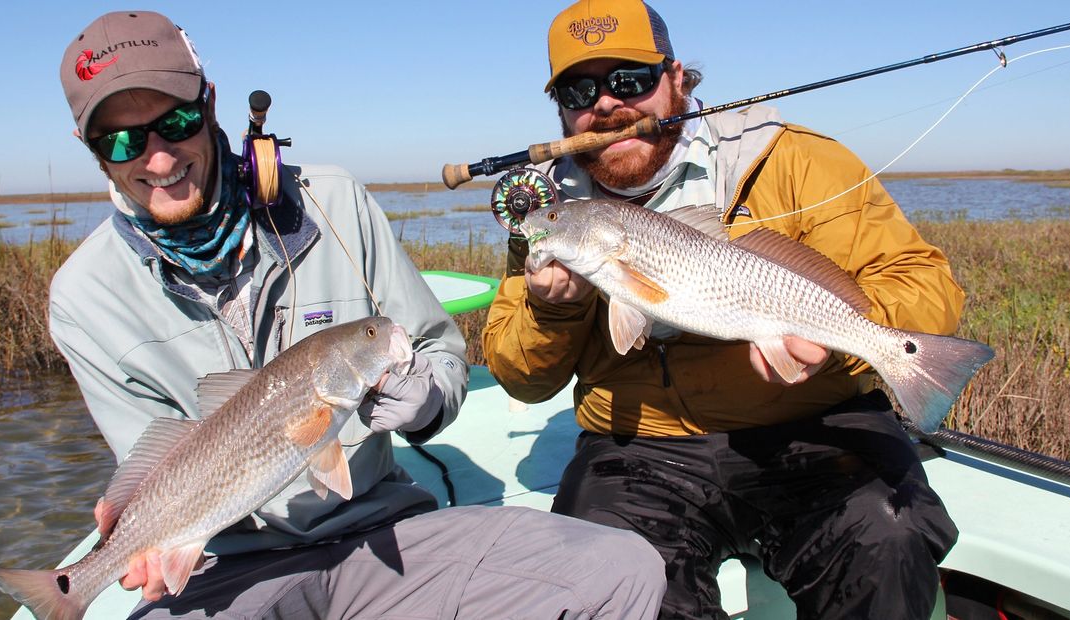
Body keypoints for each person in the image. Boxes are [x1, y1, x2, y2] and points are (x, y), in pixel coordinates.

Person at [49, 10, 665, 619]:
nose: (157, 159)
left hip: (382, 533)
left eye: (176, 121)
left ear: (209, 104)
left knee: (621, 572)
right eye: (122, 140)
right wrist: (140, 542)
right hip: (223, 570)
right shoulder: (83, 299)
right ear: (90, 148)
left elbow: (440, 354)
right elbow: (150, 465)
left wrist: (427, 398)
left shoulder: (333, 201)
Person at [482, 1, 963, 618]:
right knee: (599, 581)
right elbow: (521, 378)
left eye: (630, 80)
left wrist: (839, 342)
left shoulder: (794, 160)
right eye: (580, 89)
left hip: (813, 429)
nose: (605, 104)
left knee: (888, 538)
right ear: (561, 108)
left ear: (678, 78)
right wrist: (553, 313)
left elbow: (923, 280)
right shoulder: (551, 208)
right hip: (639, 448)